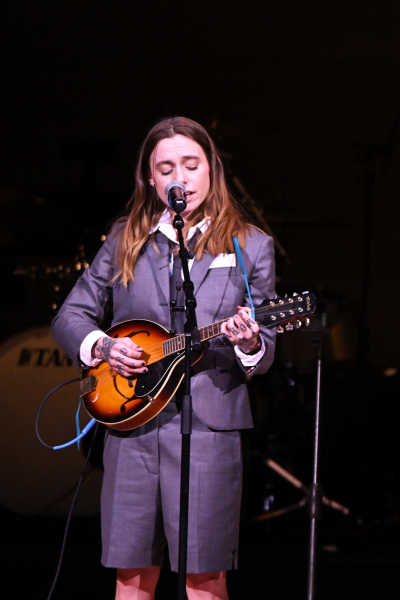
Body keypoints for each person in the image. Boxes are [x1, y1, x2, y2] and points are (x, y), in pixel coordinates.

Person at [52, 116, 276, 600]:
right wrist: (105, 347)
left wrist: (249, 341)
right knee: (132, 573)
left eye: (191, 165)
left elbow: (266, 344)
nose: (181, 177)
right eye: (167, 167)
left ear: (210, 170)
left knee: (205, 575)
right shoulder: (125, 239)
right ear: (151, 179)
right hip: (134, 423)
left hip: (210, 430)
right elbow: (71, 316)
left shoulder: (251, 245)